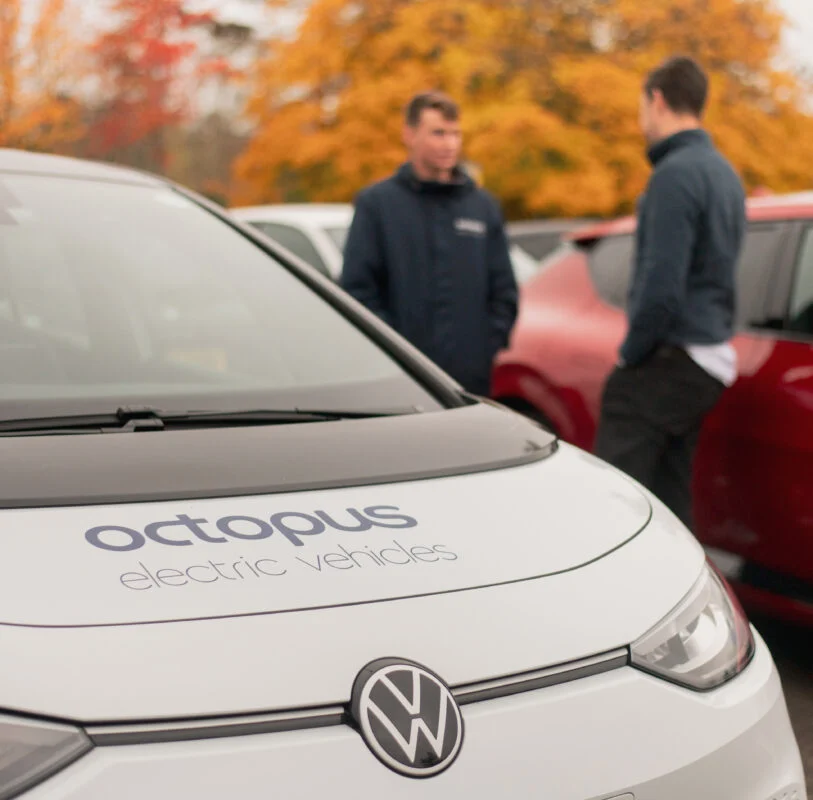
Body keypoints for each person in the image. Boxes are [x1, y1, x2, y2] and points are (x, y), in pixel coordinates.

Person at [594, 56, 746, 531]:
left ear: (657, 99)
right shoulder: (724, 173)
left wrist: (630, 354)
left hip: (669, 356)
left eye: (642, 106)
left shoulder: (675, 174)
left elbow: (662, 287)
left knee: (615, 504)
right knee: (669, 498)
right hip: (707, 357)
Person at [340, 91, 518, 396]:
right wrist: (395, 353)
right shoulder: (377, 205)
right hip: (399, 381)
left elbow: (504, 291)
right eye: (438, 133)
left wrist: (485, 346)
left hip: (469, 381)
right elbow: (358, 292)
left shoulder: (482, 206)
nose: (450, 144)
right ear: (409, 135)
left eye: (455, 134)